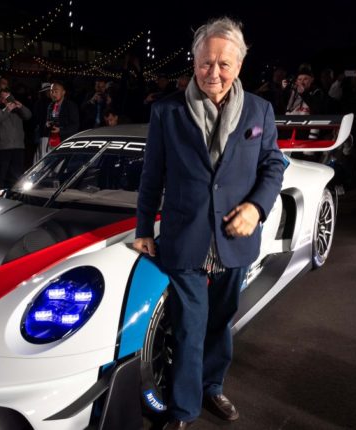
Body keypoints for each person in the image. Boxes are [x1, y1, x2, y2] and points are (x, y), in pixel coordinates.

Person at [134, 18, 284, 429]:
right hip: (186, 238)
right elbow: (152, 175)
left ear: (239, 66)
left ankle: (212, 386)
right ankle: (184, 409)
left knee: (220, 325)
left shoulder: (260, 110)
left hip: (236, 239)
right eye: (205, 63)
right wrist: (143, 228)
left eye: (223, 64)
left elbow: (273, 166)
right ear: (194, 61)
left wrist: (257, 207)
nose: (213, 73)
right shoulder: (166, 111)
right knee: (187, 328)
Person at [0, 88, 32, 188]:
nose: (6, 100)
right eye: (3, 98)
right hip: (3, 148)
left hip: (18, 147)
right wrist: (7, 109)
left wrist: (21, 107)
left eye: (8, 97)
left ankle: (14, 196)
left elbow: (28, 116)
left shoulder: (17, 109)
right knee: (0, 176)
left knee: (16, 177)